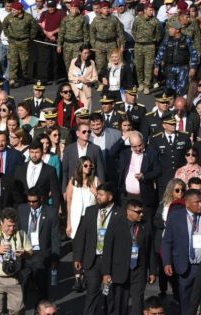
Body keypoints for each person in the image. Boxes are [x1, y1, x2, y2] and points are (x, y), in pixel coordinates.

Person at [101, 199, 157, 315]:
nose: (141, 214)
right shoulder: (116, 224)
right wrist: (106, 272)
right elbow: (107, 250)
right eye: (138, 212)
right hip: (120, 270)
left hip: (139, 270)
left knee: (138, 303)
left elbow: (151, 250)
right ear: (128, 211)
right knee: (120, 304)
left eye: (142, 211)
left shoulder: (146, 226)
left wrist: (152, 271)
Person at [73, 182, 120, 315]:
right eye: (97, 194)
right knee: (91, 294)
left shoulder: (119, 214)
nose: (97, 197)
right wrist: (77, 257)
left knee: (109, 294)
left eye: (100, 194)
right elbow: (81, 235)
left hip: (110, 262)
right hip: (93, 260)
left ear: (110, 197)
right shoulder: (90, 211)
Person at [162, 189, 201, 315]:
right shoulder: (175, 216)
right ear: (187, 203)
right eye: (197, 202)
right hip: (185, 266)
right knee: (186, 299)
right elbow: (167, 241)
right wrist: (167, 262)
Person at [17, 189, 60, 300]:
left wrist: (55, 257)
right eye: (29, 201)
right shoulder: (22, 209)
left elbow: (55, 236)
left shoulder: (51, 212)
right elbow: (17, 230)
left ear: (41, 199)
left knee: (42, 289)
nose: (31, 204)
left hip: (41, 255)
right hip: (25, 253)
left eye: (34, 201)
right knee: (21, 288)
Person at [153, 179, 184, 300]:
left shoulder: (183, 205)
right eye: (177, 190)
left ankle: (176, 292)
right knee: (162, 267)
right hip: (162, 239)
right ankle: (163, 290)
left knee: (174, 268)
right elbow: (156, 220)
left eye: (182, 190)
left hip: (176, 242)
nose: (180, 192)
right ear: (171, 191)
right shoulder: (163, 204)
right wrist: (166, 224)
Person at [154, 20, 199, 96]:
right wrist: (156, 66)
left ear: (177, 30)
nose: (169, 30)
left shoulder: (187, 39)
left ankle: (179, 105)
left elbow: (194, 53)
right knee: (170, 90)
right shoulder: (167, 39)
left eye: (171, 28)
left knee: (181, 90)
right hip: (170, 67)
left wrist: (193, 67)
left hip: (183, 68)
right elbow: (160, 52)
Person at [62, 122, 106, 196]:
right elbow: (65, 172)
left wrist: (101, 191)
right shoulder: (68, 149)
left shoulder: (96, 149)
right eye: (84, 132)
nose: (87, 133)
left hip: (91, 186)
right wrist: (64, 190)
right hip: (73, 186)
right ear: (77, 133)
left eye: (89, 131)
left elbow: (100, 171)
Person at [90, 1, 125, 89]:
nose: (106, 10)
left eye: (107, 8)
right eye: (104, 8)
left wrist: (122, 45)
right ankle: (100, 83)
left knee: (112, 63)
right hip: (100, 44)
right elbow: (92, 32)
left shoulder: (114, 19)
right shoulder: (96, 19)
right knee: (100, 64)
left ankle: (113, 82)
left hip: (111, 44)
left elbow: (120, 33)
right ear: (101, 10)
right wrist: (93, 44)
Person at [2, 1, 37, 87]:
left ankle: (23, 77)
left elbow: (34, 27)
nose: (12, 11)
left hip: (24, 42)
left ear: (19, 10)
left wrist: (31, 37)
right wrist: (7, 35)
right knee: (13, 60)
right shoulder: (9, 17)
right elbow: (4, 25)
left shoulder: (28, 17)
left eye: (14, 10)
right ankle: (12, 79)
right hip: (13, 41)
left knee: (24, 61)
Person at [132, 3, 162, 95]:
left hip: (150, 46)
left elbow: (159, 34)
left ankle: (147, 85)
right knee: (139, 65)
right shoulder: (137, 19)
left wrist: (153, 40)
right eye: (150, 10)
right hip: (139, 45)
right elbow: (133, 31)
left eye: (152, 10)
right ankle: (140, 83)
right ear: (145, 10)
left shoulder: (156, 21)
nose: (152, 11)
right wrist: (138, 38)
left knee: (148, 67)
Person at [57, 0, 89, 72]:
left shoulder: (82, 19)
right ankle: (70, 80)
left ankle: (77, 80)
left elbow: (86, 33)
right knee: (67, 63)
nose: (73, 9)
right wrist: (59, 44)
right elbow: (61, 32)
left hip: (78, 45)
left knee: (77, 63)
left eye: (75, 8)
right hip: (67, 45)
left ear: (78, 9)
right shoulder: (65, 19)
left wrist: (85, 46)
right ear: (70, 8)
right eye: (72, 7)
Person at [68, 44, 98, 109]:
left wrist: (89, 81)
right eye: (85, 53)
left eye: (88, 53)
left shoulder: (91, 62)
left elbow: (95, 77)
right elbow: (70, 76)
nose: (86, 55)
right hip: (75, 90)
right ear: (80, 52)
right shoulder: (73, 61)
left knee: (86, 110)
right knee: (75, 111)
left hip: (86, 89)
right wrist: (79, 79)